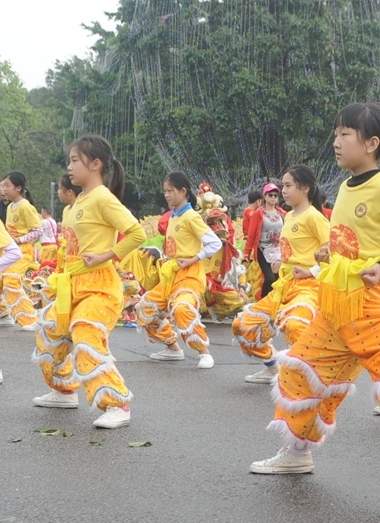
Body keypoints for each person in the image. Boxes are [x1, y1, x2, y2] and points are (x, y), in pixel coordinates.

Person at [249, 102, 380, 517]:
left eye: (345, 133)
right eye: (337, 132)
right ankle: (297, 452)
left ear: (371, 143)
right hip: (336, 305)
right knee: (299, 371)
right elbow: (358, 238)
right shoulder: (347, 187)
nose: (336, 140)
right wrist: (333, 250)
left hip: (378, 308)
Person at [32, 137, 145, 426]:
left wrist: (108, 254)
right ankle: (64, 391)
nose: (69, 167)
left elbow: (136, 233)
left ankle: (117, 404)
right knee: (51, 332)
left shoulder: (103, 198)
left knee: (85, 335)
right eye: (69, 160)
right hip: (73, 285)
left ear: (96, 164)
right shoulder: (77, 202)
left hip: (99, 286)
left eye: (74, 160)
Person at [234, 165, 329, 384]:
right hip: (284, 285)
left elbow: (335, 251)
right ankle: (272, 368)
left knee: (296, 326)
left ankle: (311, 378)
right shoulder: (290, 216)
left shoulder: (314, 217)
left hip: (308, 287)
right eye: (282, 186)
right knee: (243, 324)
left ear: (305, 188)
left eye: (287, 186)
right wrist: (280, 261)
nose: (283, 191)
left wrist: (312, 270)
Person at [140, 171, 223, 369]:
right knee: (144, 307)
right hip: (172, 274)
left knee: (182, 309)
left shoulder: (190, 216)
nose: (167, 195)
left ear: (183, 191)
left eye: (170, 191)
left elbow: (214, 243)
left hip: (190, 275)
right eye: (165, 191)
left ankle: (204, 352)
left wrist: (193, 259)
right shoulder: (174, 216)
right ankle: (172, 348)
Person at [0, 171, 42, 328]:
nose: (4, 189)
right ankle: (2, 314)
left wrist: (19, 239)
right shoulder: (10, 207)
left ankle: (29, 318)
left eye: (8, 185)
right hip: (11, 250)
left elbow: (38, 231)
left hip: (23, 250)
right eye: (3, 185)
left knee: (11, 279)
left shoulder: (25, 207)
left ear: (18, 188)